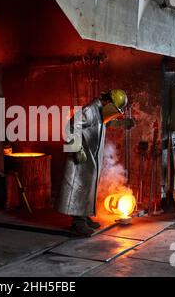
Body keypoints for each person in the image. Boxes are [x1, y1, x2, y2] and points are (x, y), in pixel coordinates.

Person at [56, 89, 128, 237]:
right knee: (80, 187)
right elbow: (70, 127)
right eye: (114, 109)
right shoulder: (90, 110)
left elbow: (100, 124)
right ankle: (78, 223)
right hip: (81, 155)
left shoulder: (99, 112)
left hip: (90, 156)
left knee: (88, 186)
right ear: (108, 102)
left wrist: (120, 123)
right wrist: (76, 148)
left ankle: (84, 215)